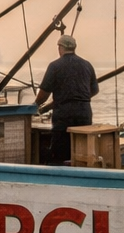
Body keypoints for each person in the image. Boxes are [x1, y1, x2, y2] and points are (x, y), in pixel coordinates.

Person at [36, 33, 99, 165]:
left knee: (60, 152)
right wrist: (81, 98)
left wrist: (35, 105)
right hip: (84, 114)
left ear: (60, 48)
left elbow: (44, 94)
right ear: (74, 48)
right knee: (81, 151)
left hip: (64, 115)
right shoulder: (87, 65)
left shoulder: (54, 66)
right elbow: (94, 90)